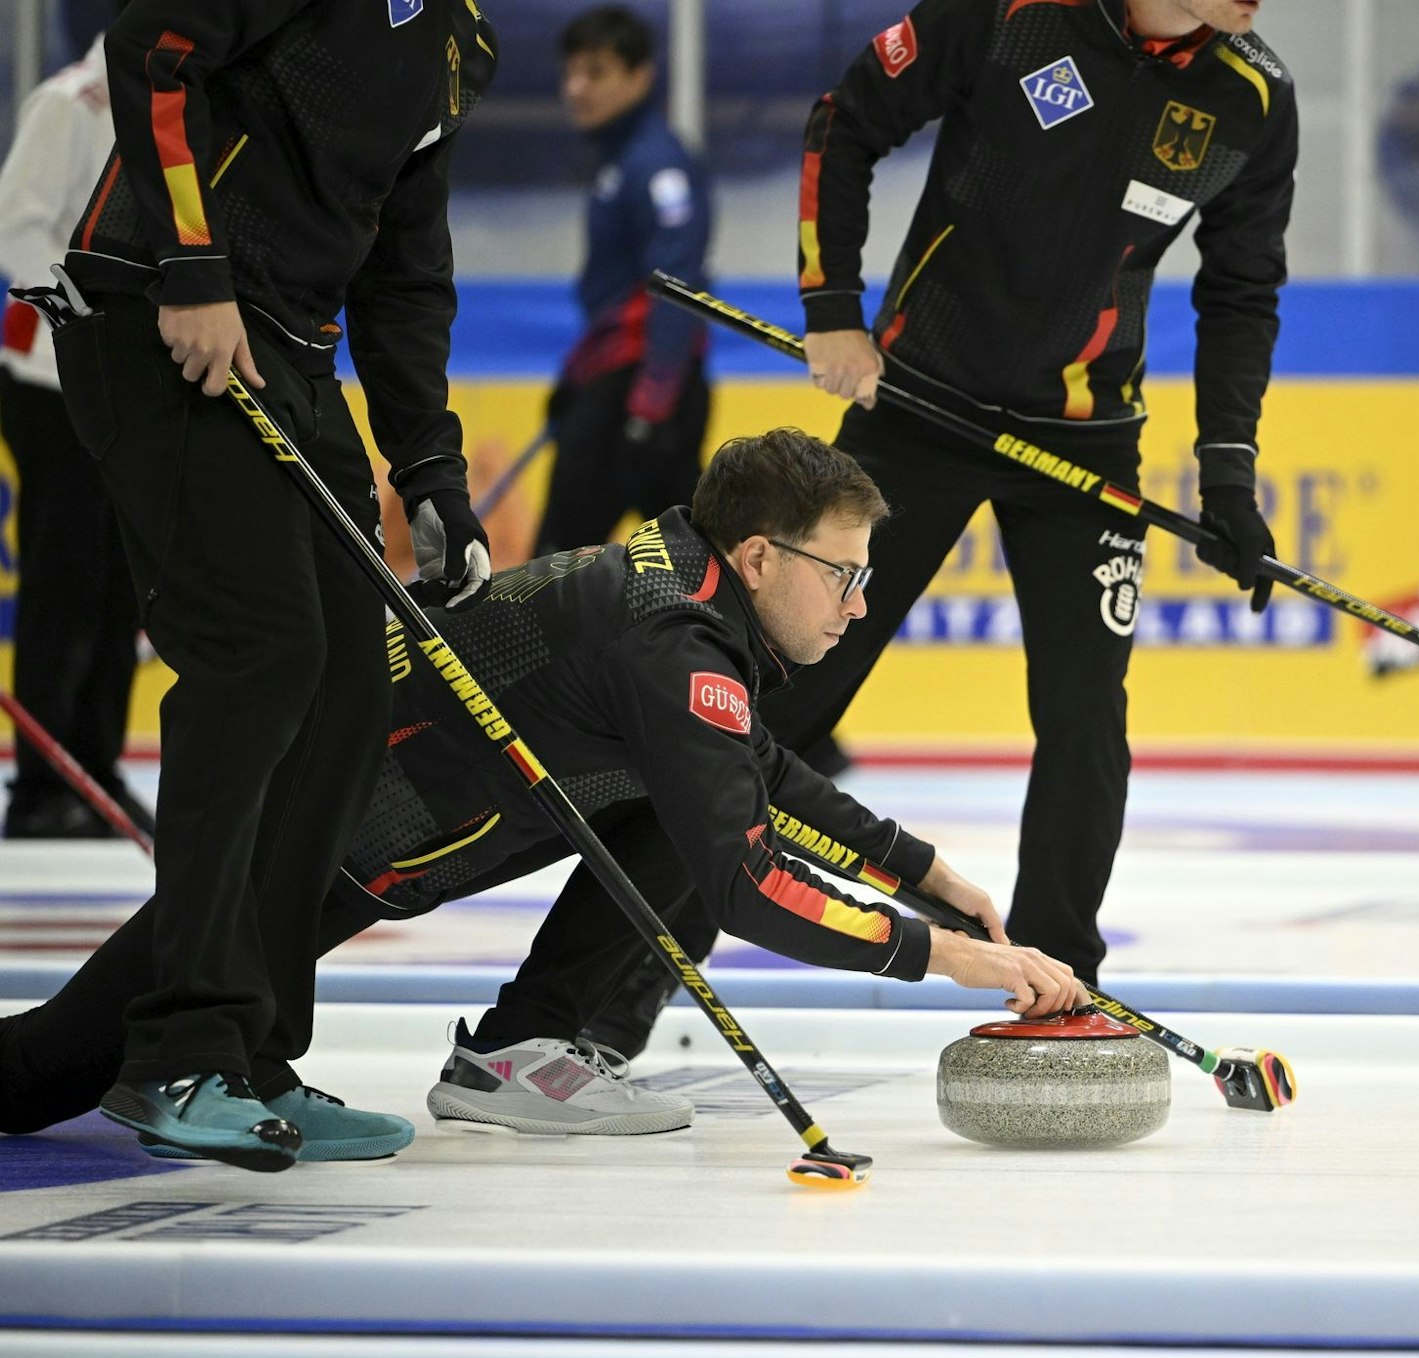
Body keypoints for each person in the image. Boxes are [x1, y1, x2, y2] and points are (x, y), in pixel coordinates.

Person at [0, 429, 1086, 1148]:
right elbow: (748, 885)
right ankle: (516, 1047)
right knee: (45, 1069)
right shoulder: (675, 646)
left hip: (363, 826)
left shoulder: (686, 594)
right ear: (760, 558)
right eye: (843, 575)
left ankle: (526, 1043)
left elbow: (746, 765)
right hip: (320, 837)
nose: (858, 604)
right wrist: (957, 959)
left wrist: (924, 872)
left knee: (692, 801)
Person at [20, 0, 499, 1172]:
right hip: (159, 317)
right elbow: (152, 49)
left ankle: (252, 1052)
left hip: (290, 349)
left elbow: (406, 265)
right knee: (263, 656)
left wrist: (429, 468)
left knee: (348, 694)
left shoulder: (460, 43)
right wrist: (190, 267)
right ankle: (179, 1051)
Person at [761, 0, 1297, 988]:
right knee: (786, 693)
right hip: (918, 411)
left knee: (1086, 721)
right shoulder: (1011, 12)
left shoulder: (1253, 96)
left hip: (1084, 443)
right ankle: (604, 986)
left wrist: (1227, 470)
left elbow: (1242, 288)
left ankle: (1057, 983)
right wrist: (831, 307)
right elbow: (846, 119)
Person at [0, 19, 151, 840]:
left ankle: (95, 766)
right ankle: (40, 781)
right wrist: (83, 317)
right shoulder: (69, 103)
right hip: (51, 378)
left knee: (123, 579)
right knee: (65, 578)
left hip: (130, 383)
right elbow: (17, 228)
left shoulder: (166, 108)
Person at [535, 4, 713, 555]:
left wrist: (651, 404)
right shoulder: (620, 160)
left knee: (554, 569)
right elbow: (618, 300)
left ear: (640, 76)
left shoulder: (656, 165)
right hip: (624, 383)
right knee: (695, 564)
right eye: (570, 72)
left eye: (596, 72)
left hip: (638, 389)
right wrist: (577, 376)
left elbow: (675, 289)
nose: (576, 87)